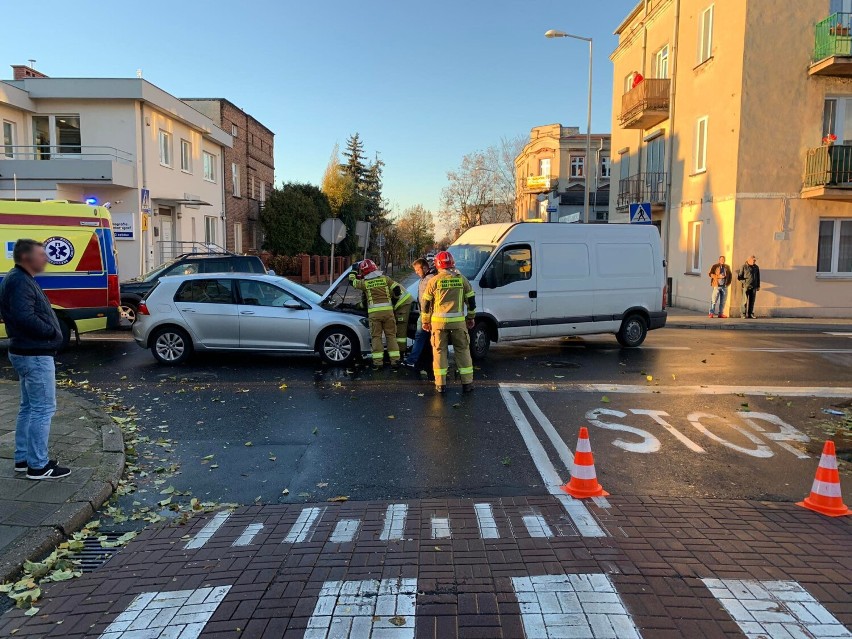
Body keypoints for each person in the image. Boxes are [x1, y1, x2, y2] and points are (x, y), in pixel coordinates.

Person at [0, 239, 70, 479]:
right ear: (27, 258)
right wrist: (50, 331)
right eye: (42, 254)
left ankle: (23, 458)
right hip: (35, 353)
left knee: (28, 408)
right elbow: (23, 317)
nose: (46, 259)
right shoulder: (19, 281)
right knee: (43, 409)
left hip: (26, 351)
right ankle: (38, 466)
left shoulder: (18, 278)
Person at [421, 251, 477, 394]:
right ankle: (467, 383)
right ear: (452, 264)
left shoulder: (434, 281)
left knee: (439, 351)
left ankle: (440, 385)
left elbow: (426, 304)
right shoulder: (461, 279)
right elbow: (471, 301)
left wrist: (425, 321)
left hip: (438, 324)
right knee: (463, 350)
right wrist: (471, 317)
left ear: (437, 265)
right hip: (458, 324)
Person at [348, 259, 401, 368]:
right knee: (391, 336)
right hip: (388, 313)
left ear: (364, 272)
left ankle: (378, 363)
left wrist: (353, 270)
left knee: (376, 337)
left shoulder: (365, 283)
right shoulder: (385, 279)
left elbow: (352, 281)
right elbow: (397, 290)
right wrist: (393, 302)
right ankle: (395, 361)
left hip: (374, 315)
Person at [403, 258, 436, 373]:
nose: (416, 272)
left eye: (417, 270)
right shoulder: (426, 278)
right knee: (431, 338)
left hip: (428, 314)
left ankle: (412, 360)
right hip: (427, 314)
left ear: (425, 267)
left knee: (421, 336)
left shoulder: (430, 279)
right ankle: (435, 361)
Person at [391, 279, 413, 362]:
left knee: (401, 329)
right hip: (401, 301)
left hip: (403, 303)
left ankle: (401, 352)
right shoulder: (384, 279)